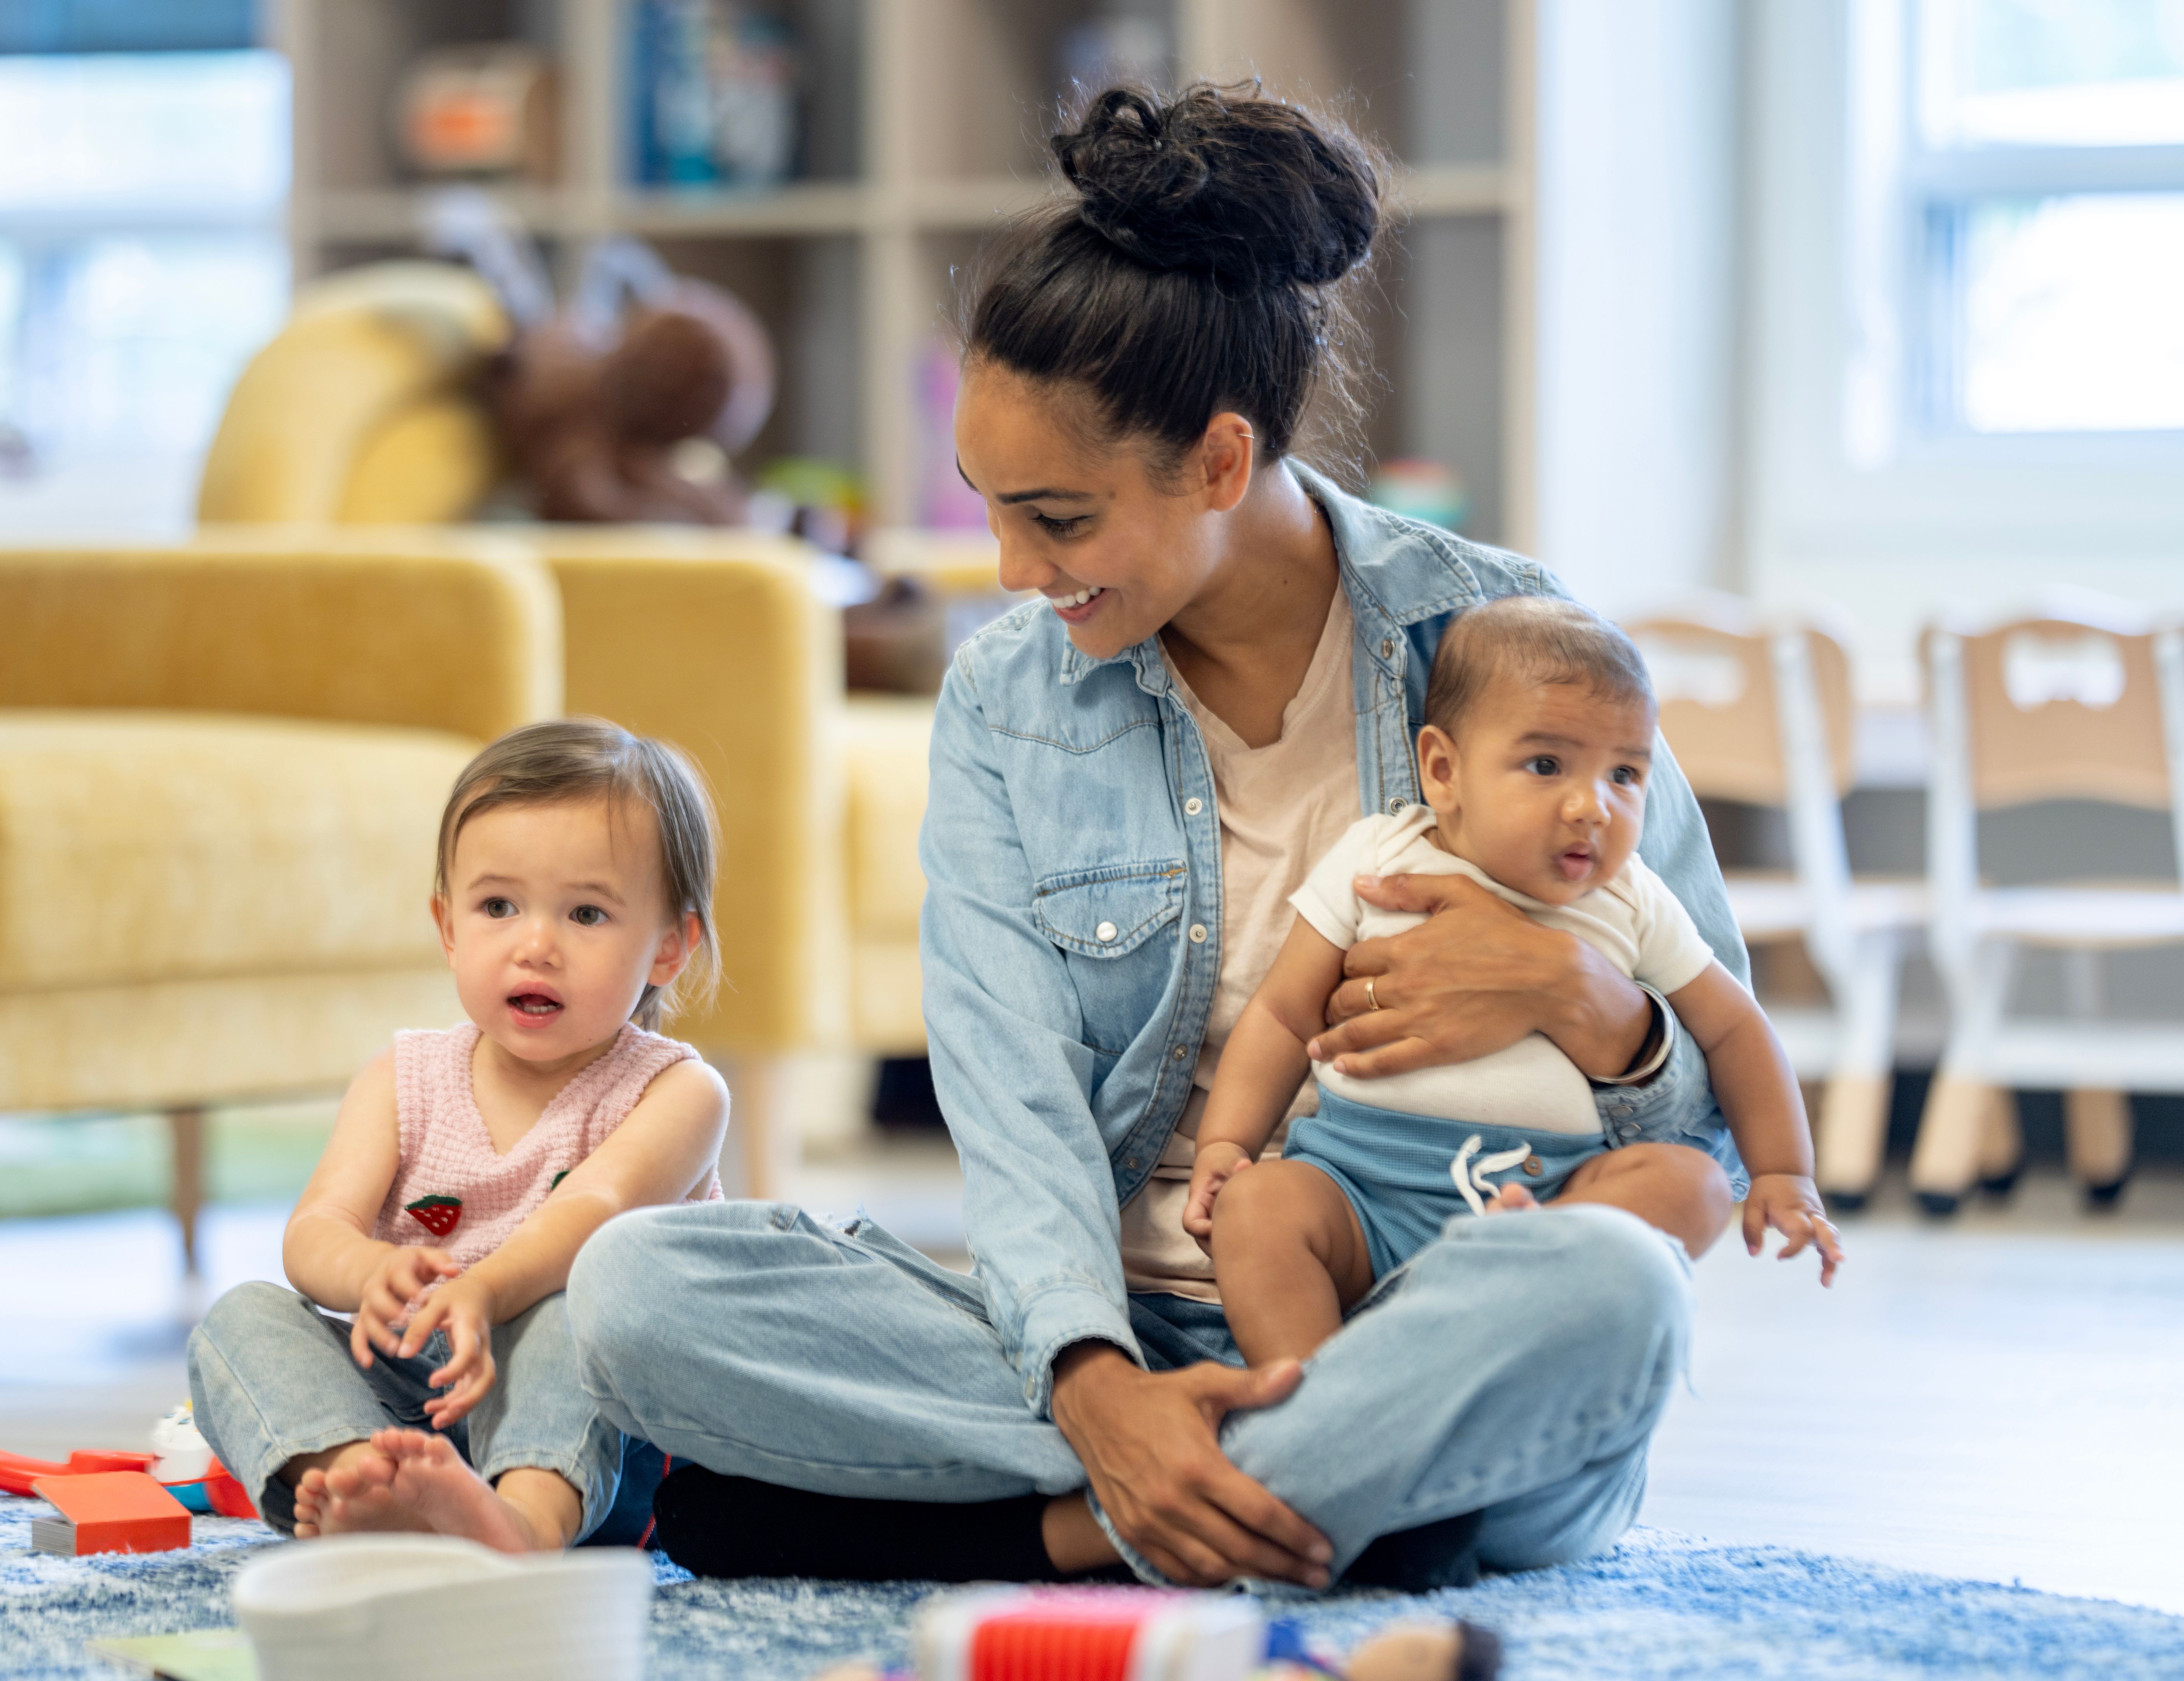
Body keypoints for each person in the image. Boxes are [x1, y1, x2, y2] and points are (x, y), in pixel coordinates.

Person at [569, 82, 1745, 1592]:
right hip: (1094, 1333)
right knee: (639, 1286)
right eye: (992, 511)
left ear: (1219, 461)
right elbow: (1008, 1099)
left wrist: (1579, 1001)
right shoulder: (1008, 702)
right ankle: (1301, 1510)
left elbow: (1708, 1135)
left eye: (1057, 520)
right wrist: (1096, 1387)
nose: (1009, 570)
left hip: (1416, 1322)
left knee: (1616, 1300)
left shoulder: (1508, 647)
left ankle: (1057, 1535)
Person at [1185, 595, 1844, 1370]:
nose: (1592, 806)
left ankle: (1505, 1301)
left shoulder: (1630, 899)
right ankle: (1314, 1402)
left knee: (1693, 1185)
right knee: (1258, 1209)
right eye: (1546, 765)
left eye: (1626, 774)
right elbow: (1284, 1015)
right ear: (1443, 770)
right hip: (1366, 1193)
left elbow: (1735, 1028)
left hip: (1551, 1199)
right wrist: (1227, 1142)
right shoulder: (1379, 858)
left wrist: (1784, 1171)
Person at [186, 718, 727, 1550]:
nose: (535, 946)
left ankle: (524, 1523)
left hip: (604, 1442)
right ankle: (374, 1480)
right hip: (426, 1405)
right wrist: (375, 1271)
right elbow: (314, 1234)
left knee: (573, 1298)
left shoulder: (677, 1092)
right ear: (448, 926)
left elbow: (593, 1207)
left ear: (668, 947)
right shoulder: (403, 1079)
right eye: (498, 906)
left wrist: (481, 1289)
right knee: (241, 1319)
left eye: (586, 913)